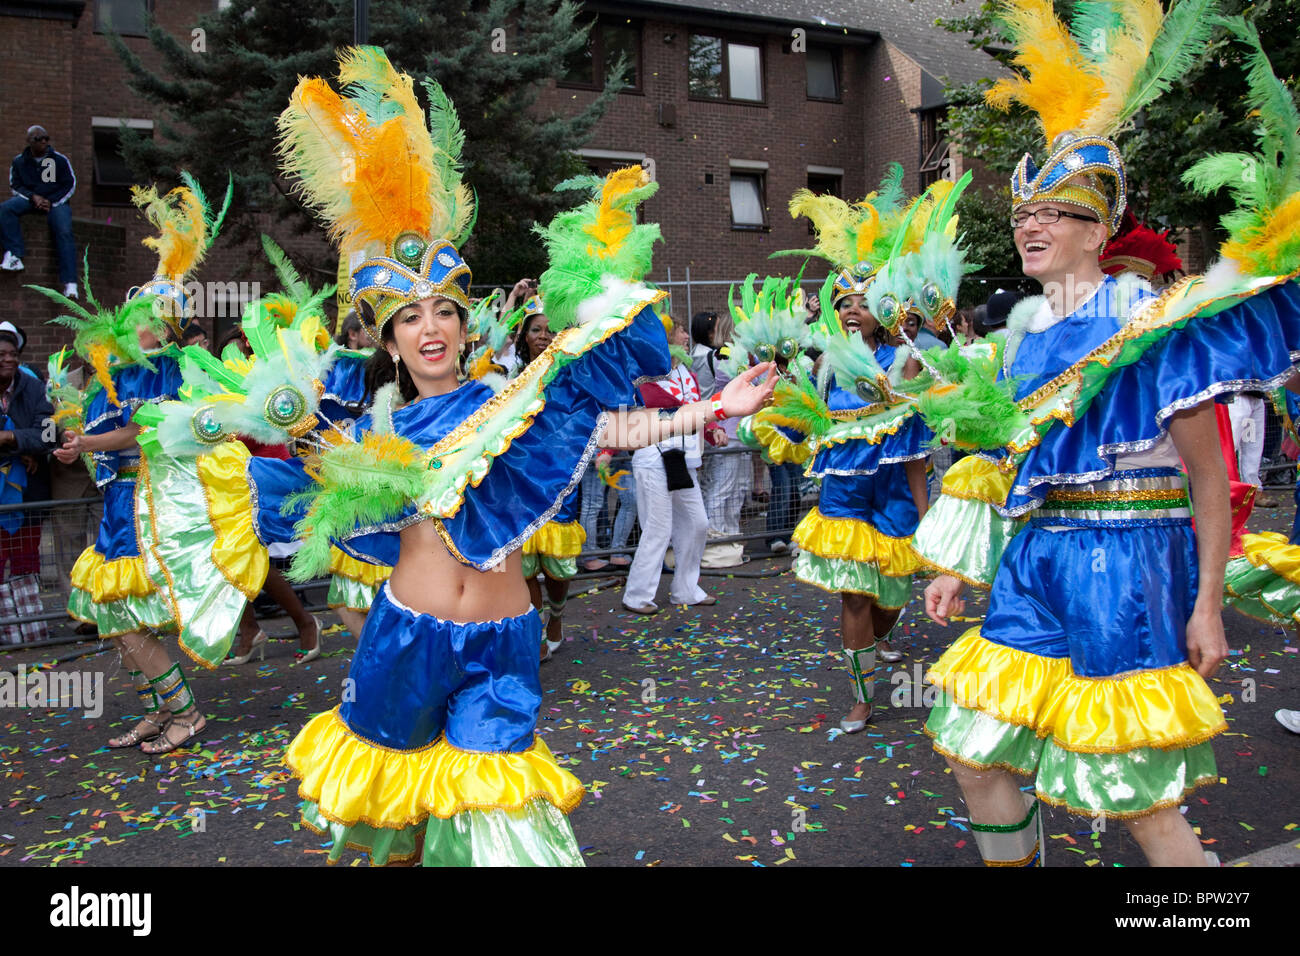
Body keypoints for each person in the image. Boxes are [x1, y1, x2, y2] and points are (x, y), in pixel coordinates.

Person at [224, 52, 776, 865]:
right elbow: (302, 486)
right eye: (409, 317)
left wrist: (707, 410)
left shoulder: (509, 401)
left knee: (505, 837)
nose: (431, 326)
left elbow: (604, 431)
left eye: (443, 308)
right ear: (388, 338)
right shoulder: (371, 437)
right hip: (404, 642)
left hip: (502, 645)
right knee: (395, 829)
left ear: (466, 320)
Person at [913, 2, 1300, 866]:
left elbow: (1210, 479)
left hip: (1131, 564)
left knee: (1134, 797)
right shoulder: (1015, 342)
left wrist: (1206, 604)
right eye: (1022, 218)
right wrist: (952, 566)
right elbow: (999, 463)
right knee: (975, 756)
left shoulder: (1153, 321)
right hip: (1035, 559)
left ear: (1097, 229)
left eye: (1054, 214)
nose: (1032, 229)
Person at [41, 172, 231, 753]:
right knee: (114, 618)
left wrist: (86, 446)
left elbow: (138, 435)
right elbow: (101, 426)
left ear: (166, 324)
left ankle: (185, 713)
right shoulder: (116, 373)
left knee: (124, 617)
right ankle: (158, 710)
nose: (135, 322)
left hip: (148, 503)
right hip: (117, 504)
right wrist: (78, 431)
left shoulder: (170, 371)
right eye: (135, 312)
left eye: (149, 314)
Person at [621, 318, 723, 614]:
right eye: (680, 331)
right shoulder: (645, 373)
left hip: (683, 458)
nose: (686, 336)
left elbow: (695, 411)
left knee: (697, 523)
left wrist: (712, 429)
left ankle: (685, 589)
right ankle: (637, 595)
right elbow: (631, 409)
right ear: (665, 337)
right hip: (653, 458)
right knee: (658, 528)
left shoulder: (686, 373)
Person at [513, 296, 586, 657]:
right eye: (536, 329)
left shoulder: (571, 372)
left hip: (560, 477)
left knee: (558, 568)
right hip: (520, 481)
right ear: (524, 336)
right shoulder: (510, 376)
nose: (543, 335)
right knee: (525, 566)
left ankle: (556, 615)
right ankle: (537, 631)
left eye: (549, 329)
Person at [0, 321, 55, 643]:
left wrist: (10, 437)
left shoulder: (34, 389)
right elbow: (32, 437)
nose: (8, 360)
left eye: (12, 354)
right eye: (1, 355)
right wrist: (21, 448)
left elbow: (47, 435)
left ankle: (29, 631)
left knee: (25, 558)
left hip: (28, 492)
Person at [2, 126, 78, 297]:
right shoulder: (20, 161)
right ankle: (14, 255)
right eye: (38, 139)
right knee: (6, 209)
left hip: (56, 203)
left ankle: (70, 283)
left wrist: (51, 201)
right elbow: (16, 185)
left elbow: (69, 184)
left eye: (46, 138)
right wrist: (33, 197)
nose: (44, 141)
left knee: (64, 231)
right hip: (30, 200)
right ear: (29, 141)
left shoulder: (58, 160)